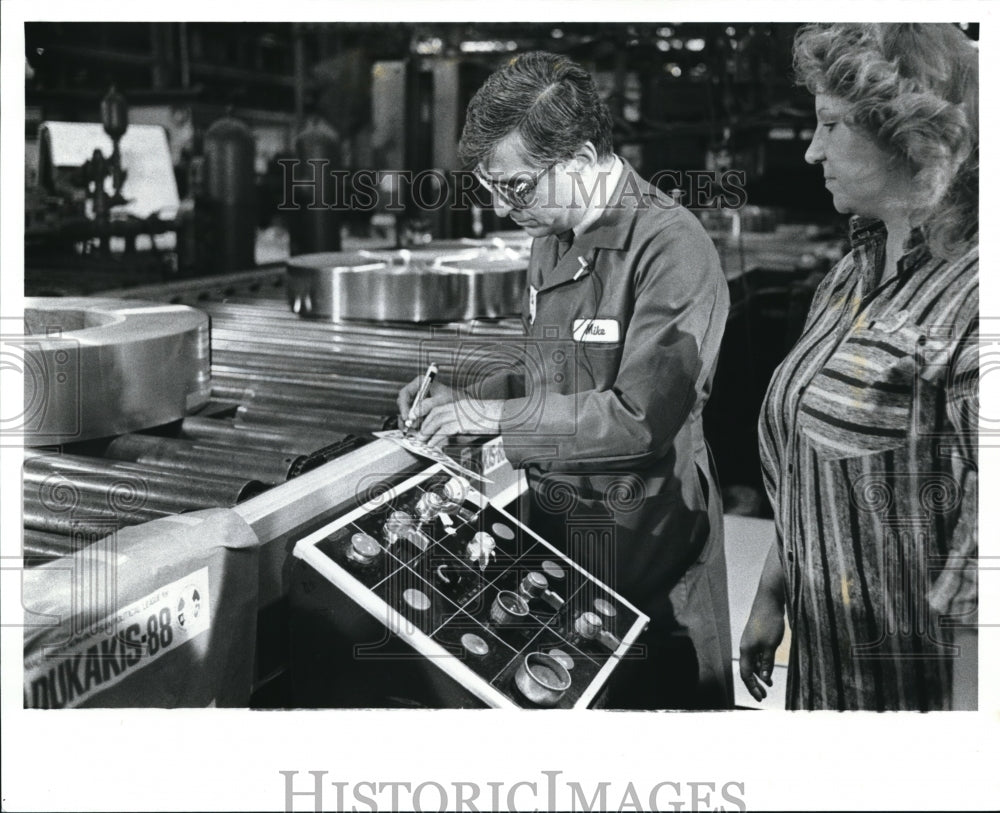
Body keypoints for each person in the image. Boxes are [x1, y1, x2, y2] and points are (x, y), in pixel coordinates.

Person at [398, 51, 733, 710]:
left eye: (515, 187)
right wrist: (465, 400)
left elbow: (639, 417)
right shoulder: (551, 237)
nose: (500, 209)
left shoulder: (671, 247)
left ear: (579, 161)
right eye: (490, 188)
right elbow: (548, 373)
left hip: (652, 557)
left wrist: (492, 421)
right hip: (561, 547)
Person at [740, 23, 979, 711]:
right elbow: (804, 461)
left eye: (832, 125)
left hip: (914, 702)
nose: (813, 150)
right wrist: (771, 590)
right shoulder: (851, 274)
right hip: (824, 678)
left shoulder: (974, 299)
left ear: (912, 133)